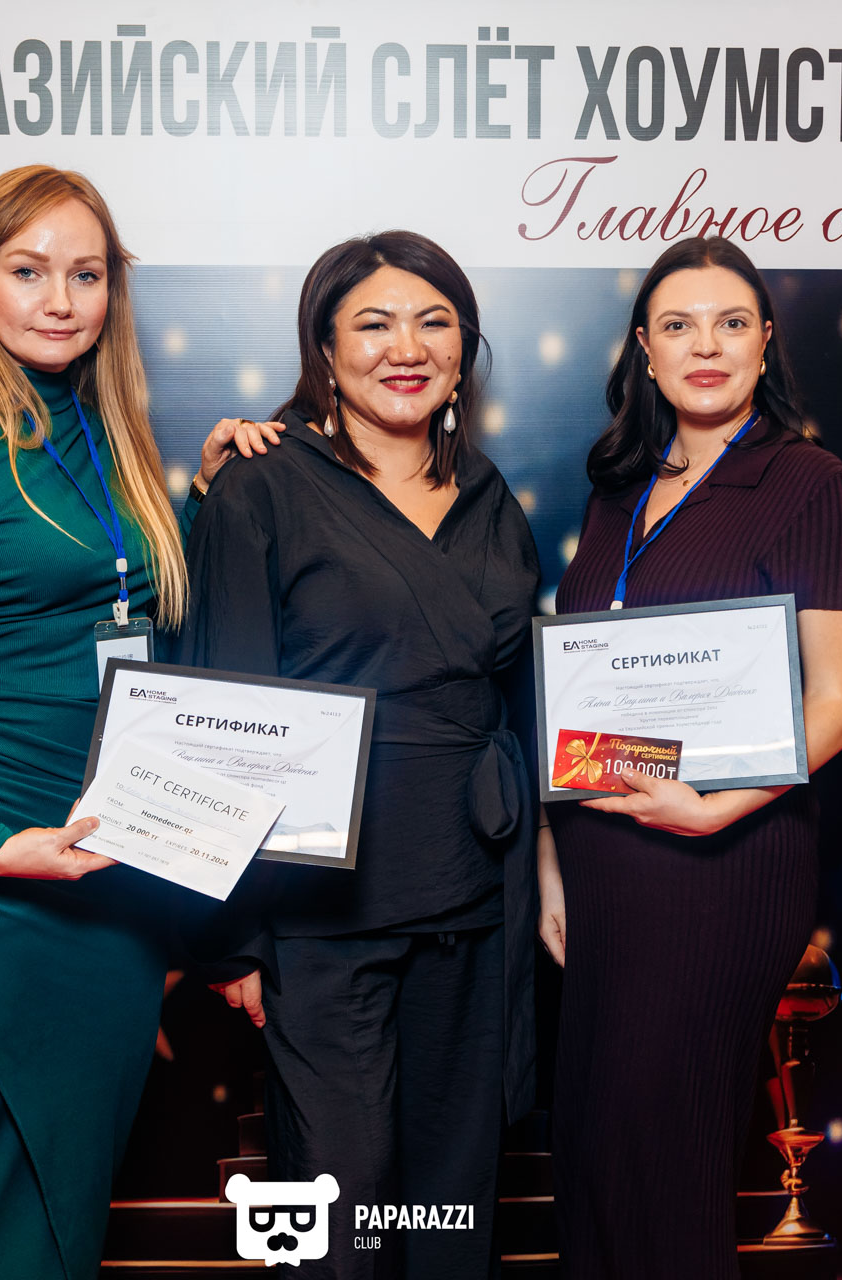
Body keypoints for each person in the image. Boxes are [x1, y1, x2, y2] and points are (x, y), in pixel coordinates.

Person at [0, 164, 277, 1280]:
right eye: (29, 271)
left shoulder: (100, 427)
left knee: (60, 1215)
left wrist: (205, 499)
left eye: (87, 274)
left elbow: (111, 592)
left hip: (99, 878)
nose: (61, 300)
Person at [184, 231, 541, 1279]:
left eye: (435, 323)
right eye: (374, 324)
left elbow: (518, 697)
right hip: (320, 917)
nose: (407, 347)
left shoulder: (490, 494)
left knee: (449, 1219)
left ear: (464, 349)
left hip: (472, 900)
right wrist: (232, 940)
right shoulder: (260, 486)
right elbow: (222, 705)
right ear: (325, 349)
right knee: (342, 1228)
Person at [540, 236, 842, 1278]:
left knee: (667, 1156)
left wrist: (714, 807)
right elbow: (578, 689)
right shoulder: (619, 489)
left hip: (722, 864)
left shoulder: (808, 482)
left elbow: (839, 703)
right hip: (606, 863)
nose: (707, 346)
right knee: (595, 1148)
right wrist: (552, 860)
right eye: (679, 325)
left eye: (731, 323)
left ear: (765, 341)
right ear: (645, 348)